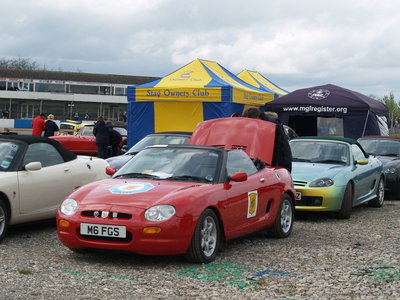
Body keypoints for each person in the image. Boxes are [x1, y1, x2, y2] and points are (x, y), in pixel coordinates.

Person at [242, 107, 292, 172]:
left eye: (251, 121)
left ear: (257, 117)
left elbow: (279, 144)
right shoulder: (256, 124)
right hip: (264, 160)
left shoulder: (273, 123)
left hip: (280, 161)